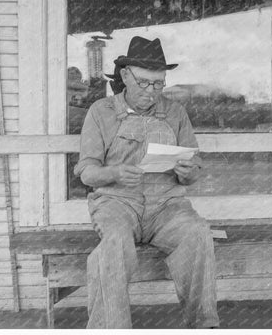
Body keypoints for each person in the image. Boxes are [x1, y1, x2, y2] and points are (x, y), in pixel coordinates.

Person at [74, 36, 220, 329]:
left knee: (198, 232)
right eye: (144, 83)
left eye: (158, 84)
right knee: (113, 245)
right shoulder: (100, 112)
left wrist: (188, 170)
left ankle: (204, 325)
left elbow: (193, 174)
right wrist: (114, 173)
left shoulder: (175, 113)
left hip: (165, 205)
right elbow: (87, 172)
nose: (151, 92)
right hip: (117, 203)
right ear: (125, 76)